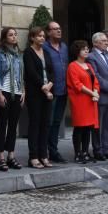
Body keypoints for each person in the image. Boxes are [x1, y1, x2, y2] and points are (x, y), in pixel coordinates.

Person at [23, 26, 54, 168]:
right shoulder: (28, 52)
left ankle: (44, 155)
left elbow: (51, 70)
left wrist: (50, 84)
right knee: (35, 124)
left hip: (47, 92)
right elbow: (31, 72)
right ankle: (33, 157)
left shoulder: (46, 52)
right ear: (32, 38)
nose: (42, 38)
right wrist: (43, 86)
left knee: (46, 124)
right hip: (35, 93)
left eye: (43, 36)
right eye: (39, 36)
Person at [0, 27, 24, 171]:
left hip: (17, 93)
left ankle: (11, 156)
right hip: (4, 92)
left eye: (15, 35)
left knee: (13, 126)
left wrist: (23, 91)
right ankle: (0, 158)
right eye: (10, 35)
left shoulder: (18, 55)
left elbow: (21, 75)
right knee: (2, 125)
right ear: (4, 38)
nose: (14, 37)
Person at [88, 32, 108, 161]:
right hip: (102, 95)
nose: (106, 42)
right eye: (103, 41)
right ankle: (98, 150)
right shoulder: (91, 56)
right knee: (99, 125)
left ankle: (107, 149)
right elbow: (96, 76)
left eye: (106, 40)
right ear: (95, 43)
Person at [66, 40, 100, 163]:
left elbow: (95, 81)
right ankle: (77, 153)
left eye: (87, 48)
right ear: (77, 51)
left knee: (88, 127)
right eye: (83, 49)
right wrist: (92, 93)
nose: (86, 50)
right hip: (80, 100)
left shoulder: (89, 66)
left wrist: (96, 92)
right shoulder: (72, 66)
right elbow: (77, 85)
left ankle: (85, 152)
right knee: (79, 127)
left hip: (91, 100)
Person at [44, 21, 69, 163]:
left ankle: (53, 151)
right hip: (51, 91)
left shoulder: (64, 47)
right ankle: (44, 151)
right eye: (55, 29)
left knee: (57, 122)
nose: (59, 31)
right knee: (48, 121)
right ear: (48, 32)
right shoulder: (45, 47)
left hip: (63, 90)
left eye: (59, 28)